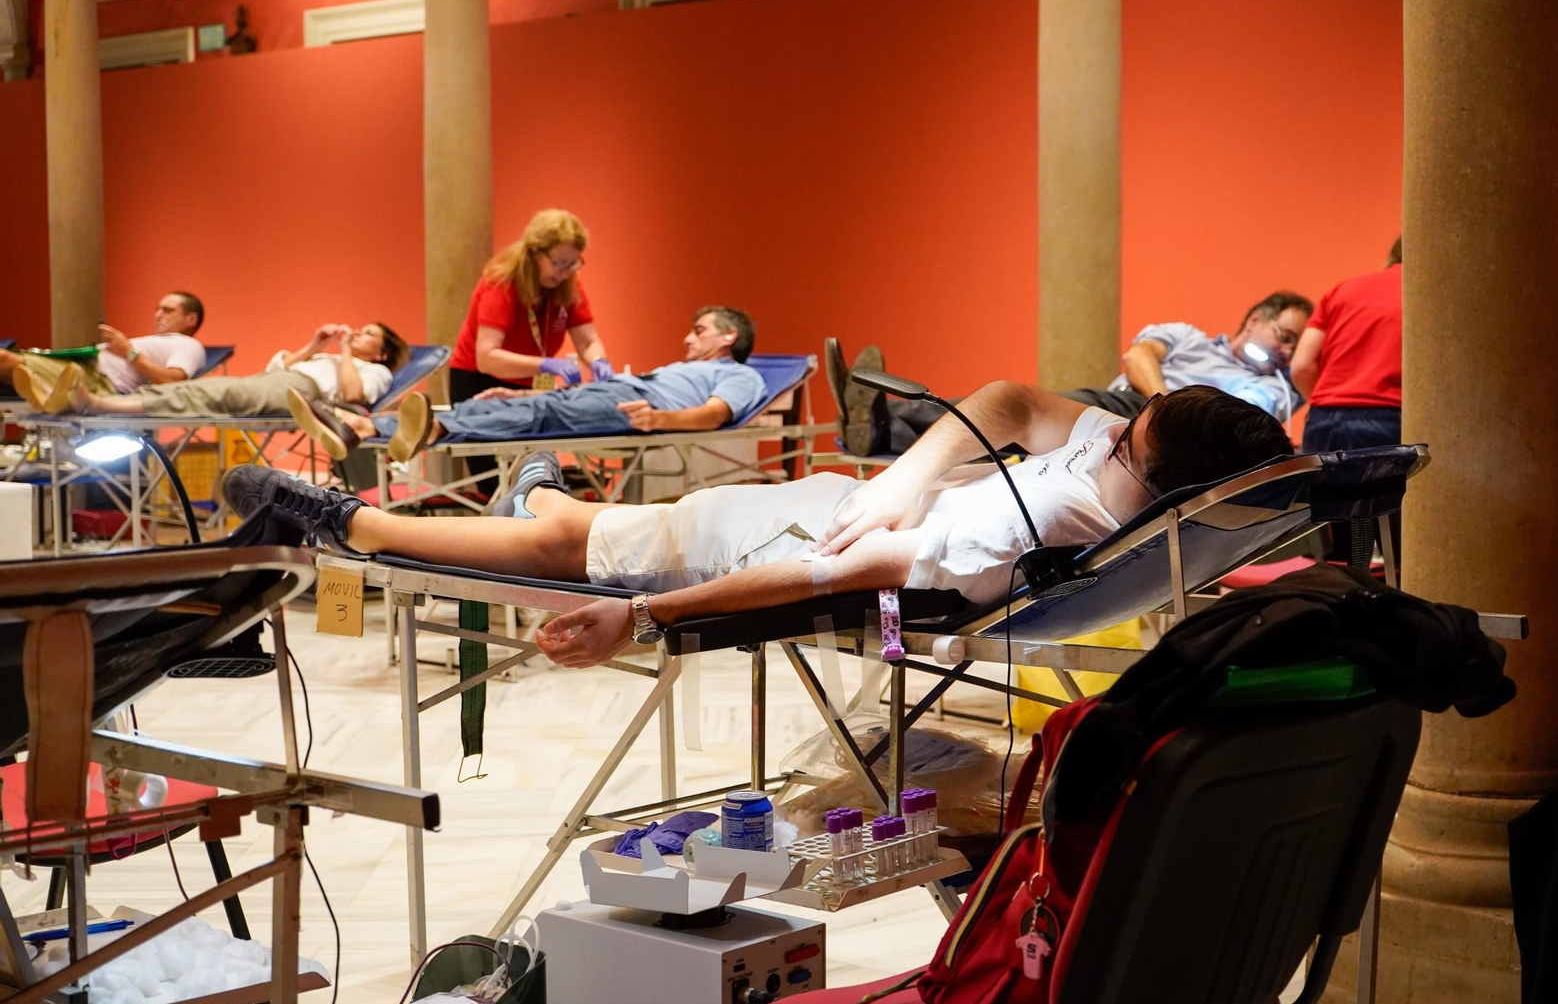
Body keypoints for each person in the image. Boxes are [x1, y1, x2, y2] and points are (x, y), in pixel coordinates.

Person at [223, 382, 1294, 669]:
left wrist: (644, 618)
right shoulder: (1125, 462)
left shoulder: (1051, 517)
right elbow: (1012, 400)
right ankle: (538, 488)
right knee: (606, 521)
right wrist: (908, 475)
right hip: (827, 501)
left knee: (575, 551)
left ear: (1157, 475)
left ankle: (354, 523)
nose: (1105, 430)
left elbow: (836, 580)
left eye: (1124, 439)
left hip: (788, 543)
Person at [835, 292, 1314, 456]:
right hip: (1135, 402)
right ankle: (882, 427)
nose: (1288, 350)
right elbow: (1138, 358)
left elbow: (1247, 417)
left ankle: (880, 425)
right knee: (1013, 413)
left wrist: (1170, 411)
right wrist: (1165, 399)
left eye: (1297, 345)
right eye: (1285, 336)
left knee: (1018, 418)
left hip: (1168, 431)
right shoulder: (1187, 336)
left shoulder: (1275, 388)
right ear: (1255, 320)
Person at [292, 307, 764, 464]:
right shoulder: (683, 367)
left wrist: (660, 419)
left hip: (636, 405)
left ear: (729, 337)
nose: (688, 338)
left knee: (543, 416)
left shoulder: (742, 375)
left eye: (699, 331)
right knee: (509, 404)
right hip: (616, 394)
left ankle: (418, 428)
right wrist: (526, 391)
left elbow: (715, 415)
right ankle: (363, 426)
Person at [1291, 237, 1403, 563]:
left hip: (1325, 421)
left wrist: (1329, 403)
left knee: (1345, 546)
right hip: (1390, 420)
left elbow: (1301, 366)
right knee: (1401, 546)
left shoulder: (1343, 289)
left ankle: (1347, 587)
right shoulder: (1430, 291)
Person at [51, 321, 408, 417]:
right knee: (197, 391)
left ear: (381, 354)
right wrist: (316, 346)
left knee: (211, 392)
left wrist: (344, 349)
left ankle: (100, 404)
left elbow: (354, 395)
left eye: (369, 334)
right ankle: (98, 401)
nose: (358, 333)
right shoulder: (326, 359)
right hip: (276, 380)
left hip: (302, 394)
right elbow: (277, 366)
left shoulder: (376, 372)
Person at [450, 208, 614, 398]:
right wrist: (545, 364)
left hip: (527, 380)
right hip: (478, 380)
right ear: (535, 252)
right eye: (559, 263)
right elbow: (487, 358)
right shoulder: (502, 285)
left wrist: (598, 361)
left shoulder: (569, 285)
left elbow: (587, 341)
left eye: (572, 264)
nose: (566, 273)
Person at [0, 292, 207, 412]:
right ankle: (47, 393)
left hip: (99, 380)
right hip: (85, 366)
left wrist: (129, 351)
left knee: (3, 359)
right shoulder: (158, 341)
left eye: (168, 310)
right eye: (158, 309)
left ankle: (53, 392)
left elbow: (173, 382)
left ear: (191, 319)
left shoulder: (189, 345)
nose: (158, 315)